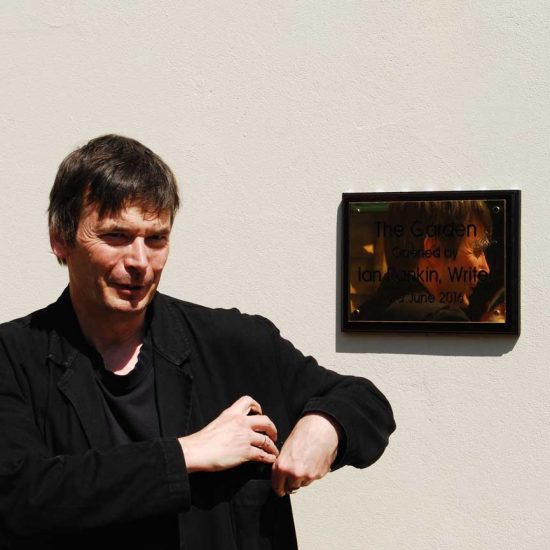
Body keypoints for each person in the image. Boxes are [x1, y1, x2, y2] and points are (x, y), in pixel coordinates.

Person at [0, 135, 395, 549]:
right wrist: (185, 455)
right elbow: (21, 496)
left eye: (156, 239)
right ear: (60, 238)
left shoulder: (233, 342)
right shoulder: (13, 356)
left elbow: (366, 403)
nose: (140, 261)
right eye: (116, 236)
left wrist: (326, 427)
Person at [353, 200, 494, 322]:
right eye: (476, 251)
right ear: (434, 250)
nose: (485, 268)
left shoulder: (361, 315)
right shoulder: (444, 321)